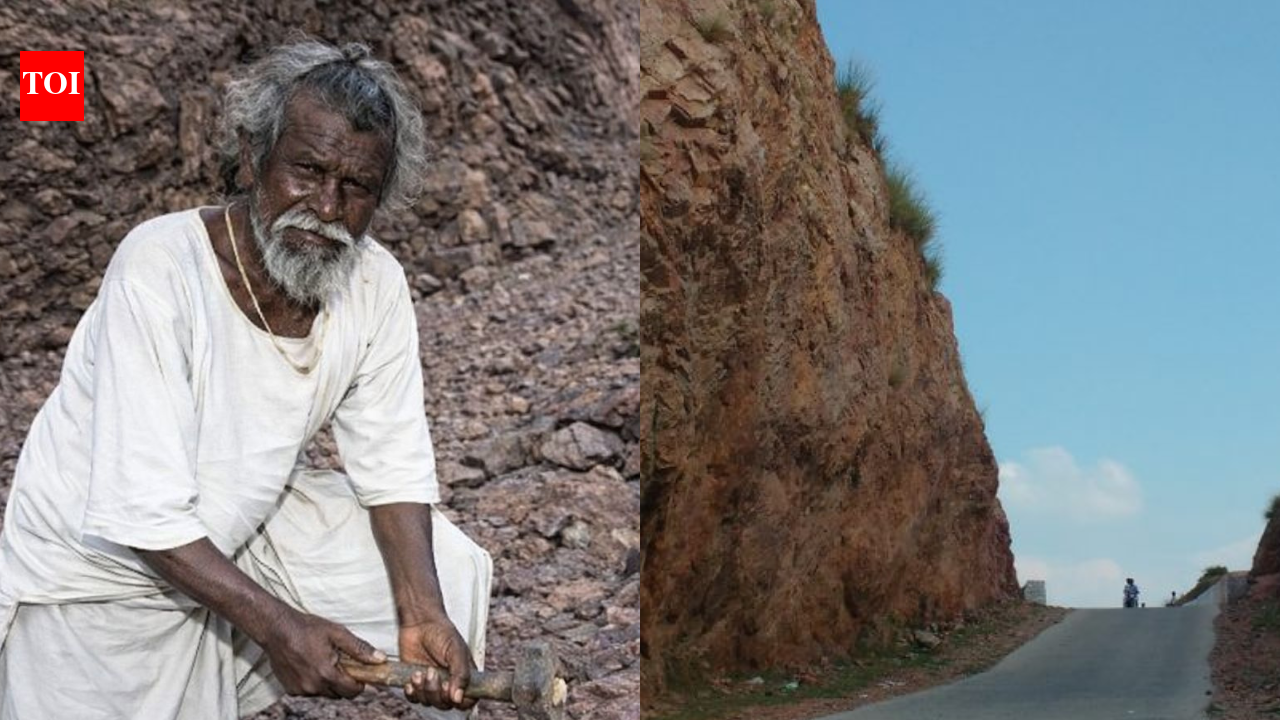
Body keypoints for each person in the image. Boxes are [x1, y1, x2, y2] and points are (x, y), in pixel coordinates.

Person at [0, 40, 492, 720]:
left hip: (235, 527)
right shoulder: (160, 266)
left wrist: (422, 611)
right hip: (98, 572)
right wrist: (281, 628)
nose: (325, 207)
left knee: (450, 573)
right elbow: (141, 509)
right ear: (254, 156)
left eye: (355, 189)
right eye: (307, 171)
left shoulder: (375, 283)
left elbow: (394, 462)